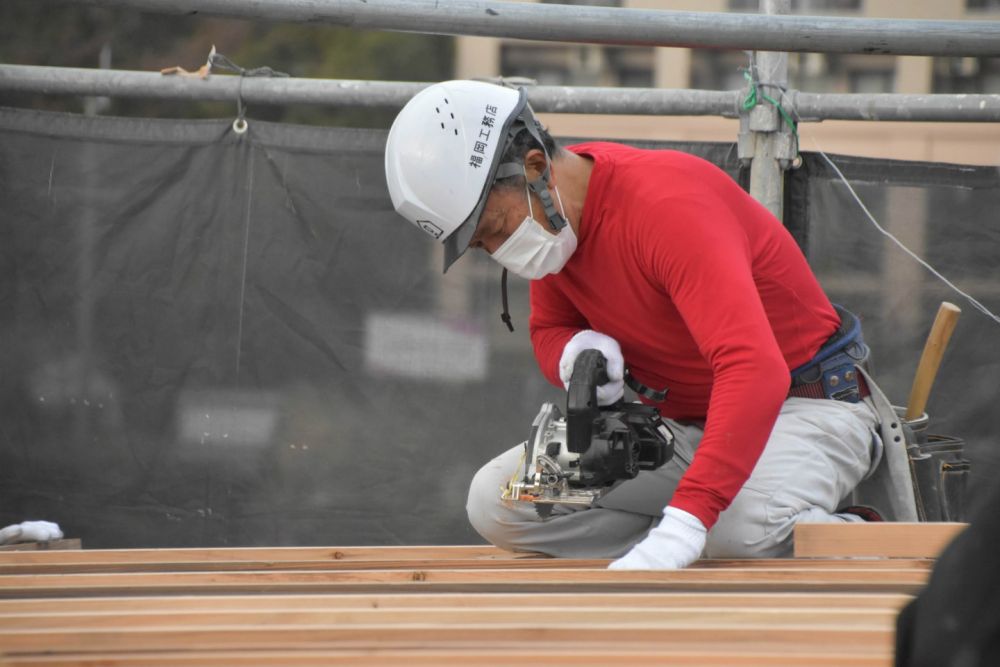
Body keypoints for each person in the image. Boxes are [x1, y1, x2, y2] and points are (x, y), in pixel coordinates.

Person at [384, 80, 884, 569]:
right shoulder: (555, 227)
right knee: (499, 501)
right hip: (686, 430)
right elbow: (548, 328)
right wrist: (575, 351)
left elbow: (754, 371)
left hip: (802, 408)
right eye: (480, 247)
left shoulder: (667, 207)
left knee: (743, 532)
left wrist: (689, 519)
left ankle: (842, 534)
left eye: (492, 231)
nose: (496, 253)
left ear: (535, 167)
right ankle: (698, 537)